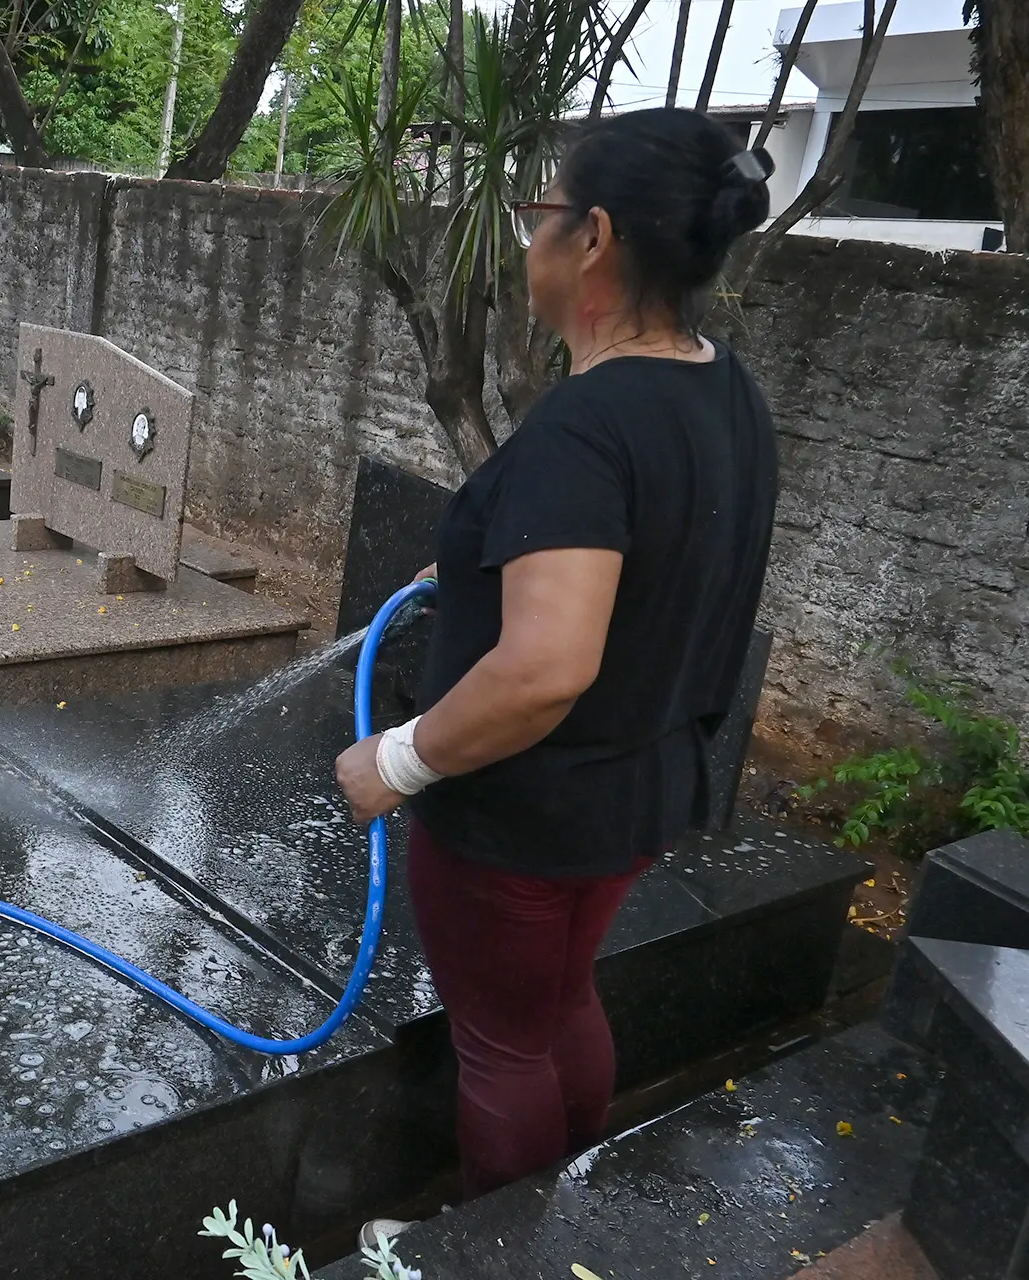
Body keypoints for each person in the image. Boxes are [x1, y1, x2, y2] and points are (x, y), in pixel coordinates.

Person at [333, 108, 782, 1226]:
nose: (526, 238)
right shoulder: (727, 393)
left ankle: (498, 1243)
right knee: (557, 1001)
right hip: (637, 794)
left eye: (540, 214)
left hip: (525, 818)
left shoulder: (588, 428)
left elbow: (543, 668)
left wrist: (400, 756)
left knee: (498, 1042)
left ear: (594, 239)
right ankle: (562, 1209)